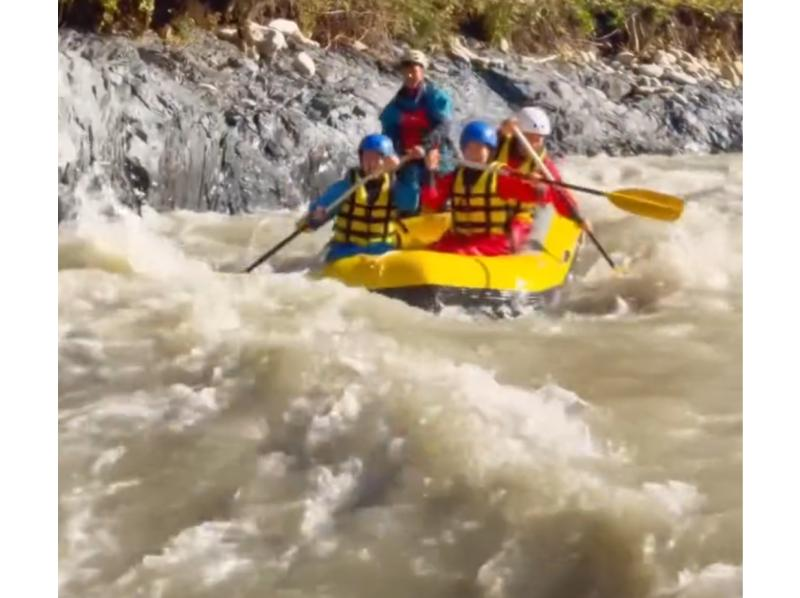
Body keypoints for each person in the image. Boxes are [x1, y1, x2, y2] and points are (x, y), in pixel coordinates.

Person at [420, 121, 577, 257]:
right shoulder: (455, 177)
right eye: (470, 147)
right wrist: (431, 172)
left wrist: (539, 186)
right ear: (462, 149)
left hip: (494, 241)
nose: (474, 152)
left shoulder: (501, 176)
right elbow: (432, 201)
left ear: (490, 152)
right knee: (435, 249)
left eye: (480, 148)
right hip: (461, 237)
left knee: (464, 252)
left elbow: (536, 194)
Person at [305, 134, 412, 263]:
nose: (370, 164)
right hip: (345, 251)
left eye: (376, 158)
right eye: (366, 158)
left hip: (382, 249)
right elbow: (311, 221)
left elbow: (409, 204)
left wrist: (403, 170)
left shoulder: (395, 186)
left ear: (387, 161)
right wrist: (315, 218)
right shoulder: (345, 187)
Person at [379, 49, 455, 214]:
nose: (410, 76)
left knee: (437, 182)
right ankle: (404, 215)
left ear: (423, 71)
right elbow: (388, 133)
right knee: (407, 196)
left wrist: (426, 146)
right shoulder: (395, 105)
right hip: (407, 156)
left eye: (414, 71)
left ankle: (443, 207)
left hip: (435, 151)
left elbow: (444, 126)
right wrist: (389, 155)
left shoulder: (435, 97)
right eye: (406, 71)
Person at [496, 106, 581, 222]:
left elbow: (558, 190)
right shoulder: (498, 143)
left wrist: (577, 216)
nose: (534, 144)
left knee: (544, 190)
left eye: (538, 139)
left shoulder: (543, 163)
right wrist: (502, 129)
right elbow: (479, 148)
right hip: (491, 206)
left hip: (519, 217)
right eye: (530, 138)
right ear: (518, 134)